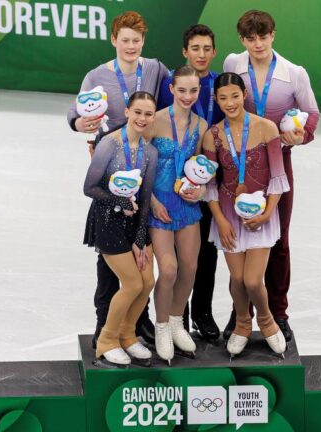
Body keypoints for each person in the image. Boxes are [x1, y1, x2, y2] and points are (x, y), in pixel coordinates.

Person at [67, 11, 169, 348]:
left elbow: (173, 100)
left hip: (144, 163)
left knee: (140, 253)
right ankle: (103, 325)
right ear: (114, 40)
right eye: (124, 40)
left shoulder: (154, 69)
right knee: (110, 255)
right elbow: (75, 113)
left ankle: (136, 324)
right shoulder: (97, 76)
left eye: (136, 40)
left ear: (143, 42)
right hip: (109, 168)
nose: (130, 46)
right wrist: (79, 125)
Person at [223, 10, 320, 341]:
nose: (257, 44)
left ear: (273, 35)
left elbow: (311, 115)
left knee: (277, 240)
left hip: (278, 165)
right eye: (250, 38)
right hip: (237, 164)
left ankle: (279, 312)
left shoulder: (294, 74)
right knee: (237, 239)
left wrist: (300, 136)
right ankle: (242, 314)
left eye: (263, 37)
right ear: (242, 40)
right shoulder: (233, 64)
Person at [202, 72, 288, 357]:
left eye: (235, 96)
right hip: (227, 214)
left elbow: (278, 176)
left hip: (262, 213)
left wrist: (268, 214)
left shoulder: (266, 128)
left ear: (244, 96)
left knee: (253, 280)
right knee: (236, 279)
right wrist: (221, 219)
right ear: (216, 99)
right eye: (223, 98)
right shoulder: (213, 135)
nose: (230, 103)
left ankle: (266, 321)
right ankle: (241, 324)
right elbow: (210, 185)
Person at [157, 24, 225, 341]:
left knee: (205, 250)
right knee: (171, 255)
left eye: (206, 48)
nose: (201, 54)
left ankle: (202, 312)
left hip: (209, 175)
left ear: (213, 52)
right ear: (185, 51)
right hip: (169, 179)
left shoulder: (219, 84)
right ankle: (175, 317)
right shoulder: (171, 83)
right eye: (194, 48)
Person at [82, 91, 159, 367]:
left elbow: (146, 196)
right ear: (127, 111)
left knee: (148, 281)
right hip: (107, 220)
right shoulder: (109, 145)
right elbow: (89, 187)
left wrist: (141, 237)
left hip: (134, 222)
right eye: (137, 112)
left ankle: (128, 335)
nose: (142, 118)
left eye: (148, 114)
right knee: (132, 283)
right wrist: (119, 200)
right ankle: (107, 340)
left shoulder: (150, 152)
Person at [149, 66, 209, 363]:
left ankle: (176, 321)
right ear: (171, 89)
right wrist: (149, 201)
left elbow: (198, 168)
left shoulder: (201, 125)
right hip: (159, 204)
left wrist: (198, 191)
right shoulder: (155, 120)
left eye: (193, 91)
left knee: (189, 268)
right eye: (182, 90)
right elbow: (140, 164)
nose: (187, 96)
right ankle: (161, 326)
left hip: (187, 206)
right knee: (169, 269)